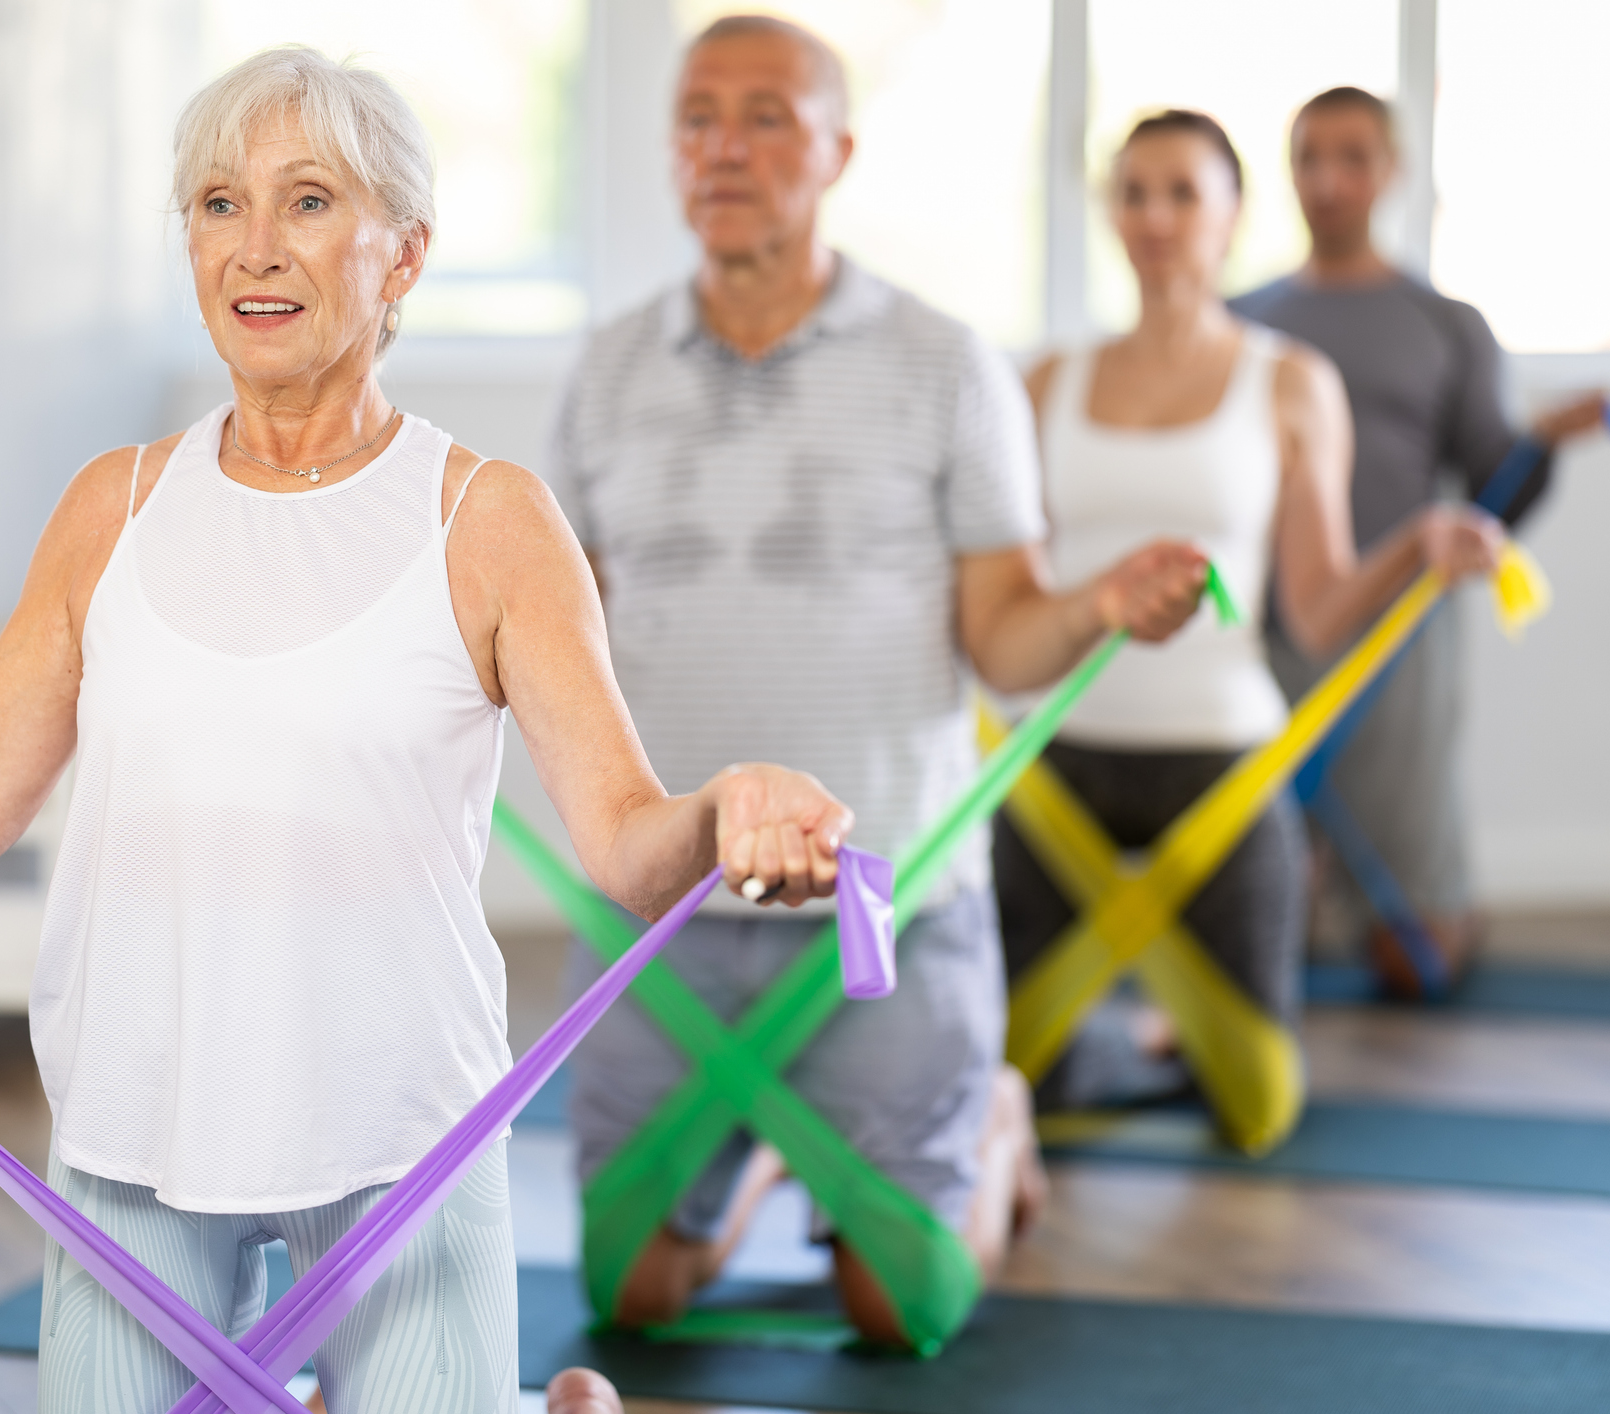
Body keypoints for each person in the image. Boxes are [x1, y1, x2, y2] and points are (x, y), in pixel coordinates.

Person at [0, 47, 859, 1414]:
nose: (255, 249)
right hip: (134, 1138)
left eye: (310, 201)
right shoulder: (114, 505)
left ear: (402, 255)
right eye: (218, 204)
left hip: (403, 1140)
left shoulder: (490, 521)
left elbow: (632, 847)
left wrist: (731, 809)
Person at [545, 15, 1217, 1348]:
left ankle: (986, 1112)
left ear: (837, 148)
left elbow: (1005, 636)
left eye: (766, 116)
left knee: (895, 1310)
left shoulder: (943, 362)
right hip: (665, 917)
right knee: (627, 1298)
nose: (722, 147)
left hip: (883, 910)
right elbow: (569, 642)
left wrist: (1094, 608)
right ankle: (782, 1154)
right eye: (695, 117)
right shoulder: (604, 373)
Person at [996, 110, 1507, 1110]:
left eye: (1183, 192)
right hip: (1057, 759)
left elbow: (1316, 613)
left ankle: (1175, 1041)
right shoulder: (1048, 379)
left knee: (1259, 1102)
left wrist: (1418, 544)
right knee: (1018, 1076)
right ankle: (1136, 1053)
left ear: (1233, 215)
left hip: (1224, 762)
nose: (1155, 217)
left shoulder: (1290, 383)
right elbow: (1010, 593)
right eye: (1133, 192)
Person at [1230, 86, 1606, 995]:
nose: (1327, 181)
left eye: (1351, 158)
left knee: (1414, 964)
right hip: (1260, 627)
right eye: (1309, 158)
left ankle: (1420, 903)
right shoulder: (1239, 322)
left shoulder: (1445, 325)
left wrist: (1542, 442)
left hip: (1393, 636)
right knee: (1254, 903)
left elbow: (1490, 491)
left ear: (1390, 172)